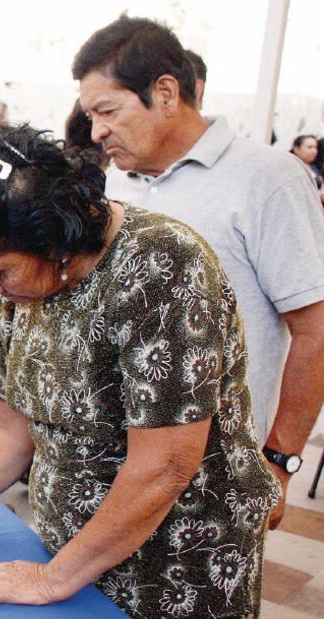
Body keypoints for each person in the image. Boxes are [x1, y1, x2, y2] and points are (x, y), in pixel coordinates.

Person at [0, 123, 280, 619]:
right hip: (76, 556)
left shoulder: (162, 266)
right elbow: (11, 430)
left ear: (53, 238)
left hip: (178, 565)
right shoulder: (21, 288)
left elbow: (165, 467)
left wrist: (54, 578)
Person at [77, 15, 324, 536]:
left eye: (107, 111)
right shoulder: (121, 183)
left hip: (215, 478)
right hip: (116, 468)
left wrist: (280, 461)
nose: (98, 131)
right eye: (91, 116)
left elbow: (315, 329)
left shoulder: (268, 178)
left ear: (165, 93)